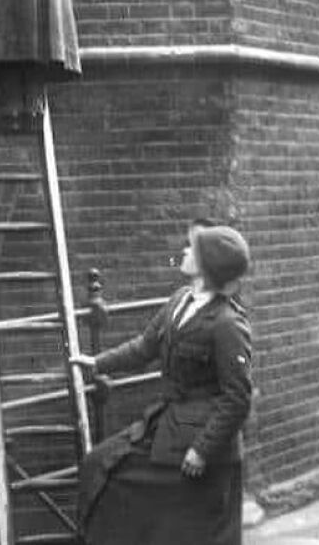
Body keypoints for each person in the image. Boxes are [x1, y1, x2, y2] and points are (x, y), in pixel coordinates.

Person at [73, 224, 253, 545]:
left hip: (199, 446)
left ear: (207, 267)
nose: (184, 252)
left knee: (190, 532)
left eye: (192, 250)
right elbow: (144, 347)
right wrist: (97, 363)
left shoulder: (227, 324)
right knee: (98, 464)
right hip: (167, 428)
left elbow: (238, 399)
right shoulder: (179, 301)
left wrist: (202, 450)